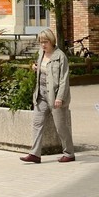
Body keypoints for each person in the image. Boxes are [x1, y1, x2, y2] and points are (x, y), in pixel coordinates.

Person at [20, 33, 75, 164]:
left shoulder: (60, 56)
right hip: (41, 95)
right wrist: (35, 67)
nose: (43, 45)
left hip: (55, 96)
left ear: (52, 41)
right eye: (41, 42)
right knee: (37, 123)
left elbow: (64, 80)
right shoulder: (41, 53)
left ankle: (69, 153)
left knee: (61, 126)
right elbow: (43, 69)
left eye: (45, 42)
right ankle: (35, 154)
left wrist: (60, 97)